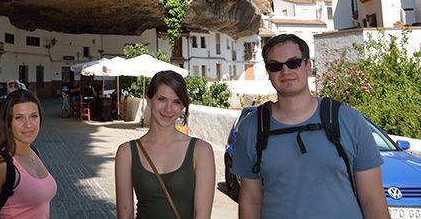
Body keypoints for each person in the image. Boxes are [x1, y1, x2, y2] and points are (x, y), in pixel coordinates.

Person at [232, 34, 389, 219]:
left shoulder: (349, 120)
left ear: (308, 66)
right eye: (275, 66)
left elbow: (372, 199)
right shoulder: (251, 128)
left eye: (293, 63)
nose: (285, 71)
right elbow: (251, 200)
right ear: (269, 73)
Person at [115, 71, 215, 219]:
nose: (169, 109)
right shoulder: (126, 153)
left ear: (183, 106)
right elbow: (125, 215)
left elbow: (202, 215)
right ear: (149, 100)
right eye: (162, 99)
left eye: (177, 102)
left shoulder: (201, 151)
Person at [0, 89, 57, 218]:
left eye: (34, 116)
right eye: (19, 118)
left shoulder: (33, 152)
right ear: (7, 122)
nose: (28, 124)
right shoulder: (0, 167)